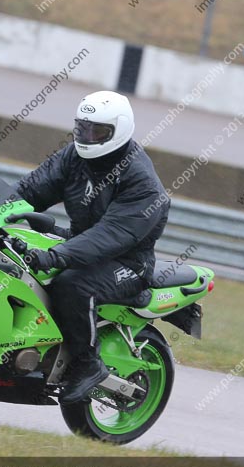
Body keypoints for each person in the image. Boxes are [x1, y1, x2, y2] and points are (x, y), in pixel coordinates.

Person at [15, 90, 169, 405]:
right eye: (82, 128)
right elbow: (30, 191)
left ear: (119, 130)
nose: (87, 137)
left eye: (97, 132)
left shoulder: (141, 182)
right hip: (82, 243)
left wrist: (57, 255)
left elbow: (111, 235)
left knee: (72, 284)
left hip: (127, 263)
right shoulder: (73, 156)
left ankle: (88, 365)